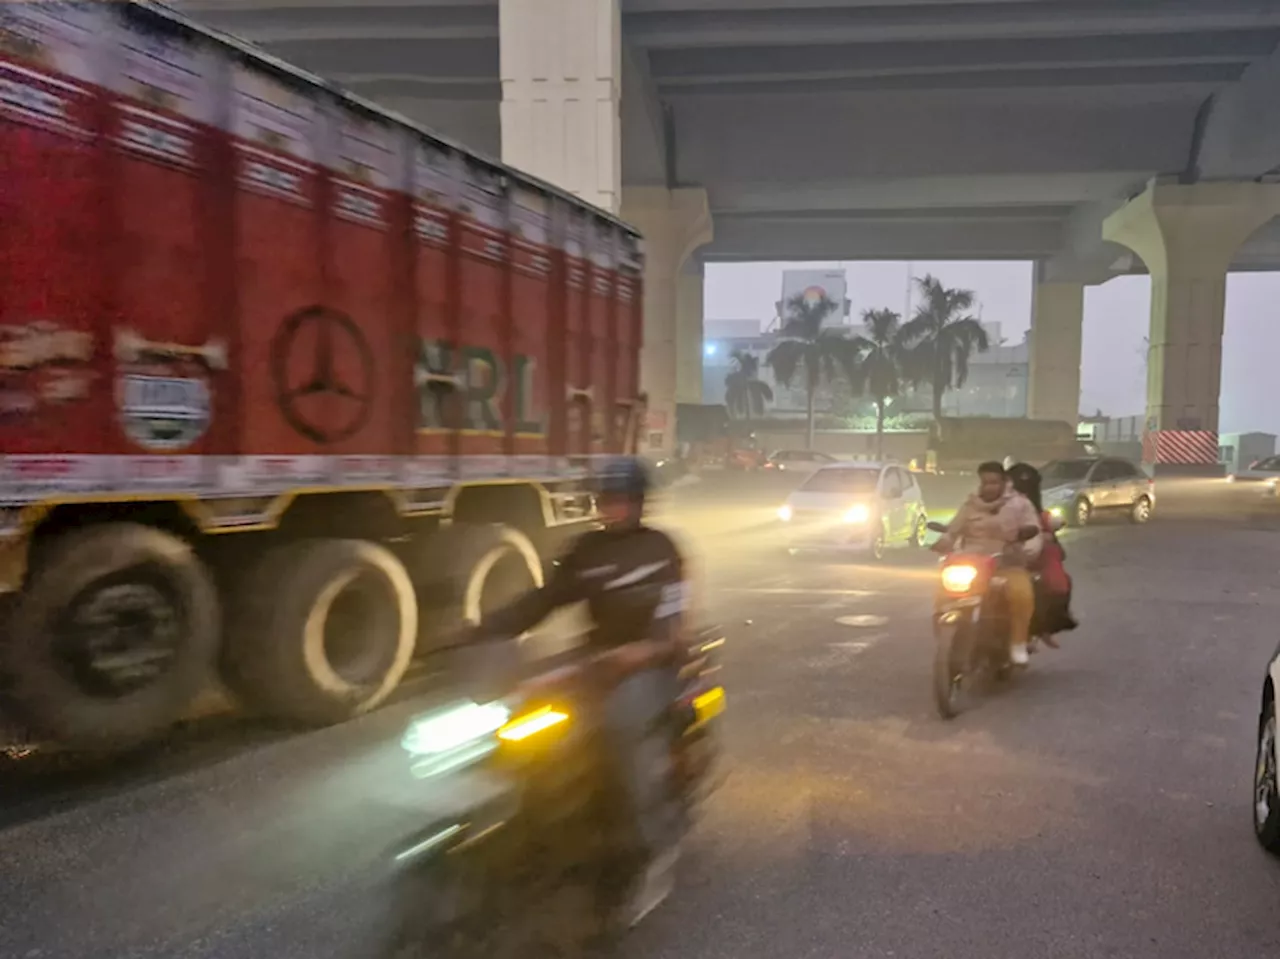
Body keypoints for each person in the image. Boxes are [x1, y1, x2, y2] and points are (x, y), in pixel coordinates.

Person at [468, 456, 690, 926]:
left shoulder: (663, 550)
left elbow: (673, 626)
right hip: (595, 657)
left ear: (638, 502)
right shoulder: (585, 550)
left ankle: (652, 851)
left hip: (649, 663)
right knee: (526, 718)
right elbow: (544, 599)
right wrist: (488, 628)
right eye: (605, 500)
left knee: (622, 728)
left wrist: (642, 652)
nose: (611, 508)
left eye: (620, 500)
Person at [937, 460, 1041, 665]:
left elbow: (1033, 531)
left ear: (1004, 482)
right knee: (943, 591)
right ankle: (946, 633)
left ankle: (1017, 642)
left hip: (1007, 562)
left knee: (1021, 594)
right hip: (972, 563)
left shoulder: (1020, 504)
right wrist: (944, 542)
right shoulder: (970, 505)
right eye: (985, 482)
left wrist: (1026, 547)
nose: (989, 487)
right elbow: (953, 529)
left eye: (994, 482)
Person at [1006, 462, 1078, 646]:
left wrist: (1045, 535)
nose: (1022, 495)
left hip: (1032, 557)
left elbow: (1051, 525)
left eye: (1027, 490)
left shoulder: (1042, 516)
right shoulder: (990, 507)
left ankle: (1044, 627)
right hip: (1000, 555)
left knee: (1055, 581)